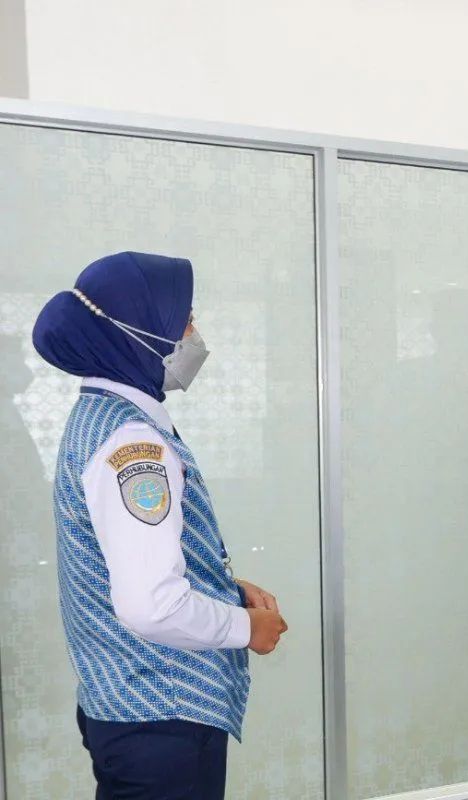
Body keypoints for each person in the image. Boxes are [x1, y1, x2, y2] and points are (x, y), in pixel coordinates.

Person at [31, 251, 288, 800]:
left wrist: (223, 588)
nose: (195, 334)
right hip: (161, 716)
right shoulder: (133, 444)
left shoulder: (103, 417)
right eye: (186, 321)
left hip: (134, 709)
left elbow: (128, 559)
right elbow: (150, 605)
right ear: (138, 333)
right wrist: (246, 628)